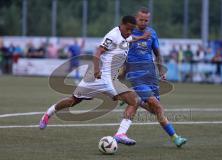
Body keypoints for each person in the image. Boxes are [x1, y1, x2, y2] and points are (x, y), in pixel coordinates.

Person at [39, 16, 148, 131]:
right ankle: (48, 114)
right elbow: (98, 52)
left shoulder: (127, 35)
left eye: (132, 30)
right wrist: (96, 70)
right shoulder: (113, 35)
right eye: (128, 29)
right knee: (73, 101)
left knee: (132, 100)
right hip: (97, 76)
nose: (129, 32)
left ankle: (122, 133)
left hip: (109, 79)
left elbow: (131, 38)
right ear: (122, 24)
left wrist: (142, 37)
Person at [113, 7, 187, 147]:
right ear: (136, 18)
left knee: (156, 110)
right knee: (157, 105)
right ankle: (175, 137)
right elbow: (120, 46)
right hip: (135, 74)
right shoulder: (129, 32)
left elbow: (157, 53)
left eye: (146, 20)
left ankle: (175, 138)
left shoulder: (152, 33)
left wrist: (161, 70)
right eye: (141, 19)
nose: (143, 22)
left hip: (150, 74)